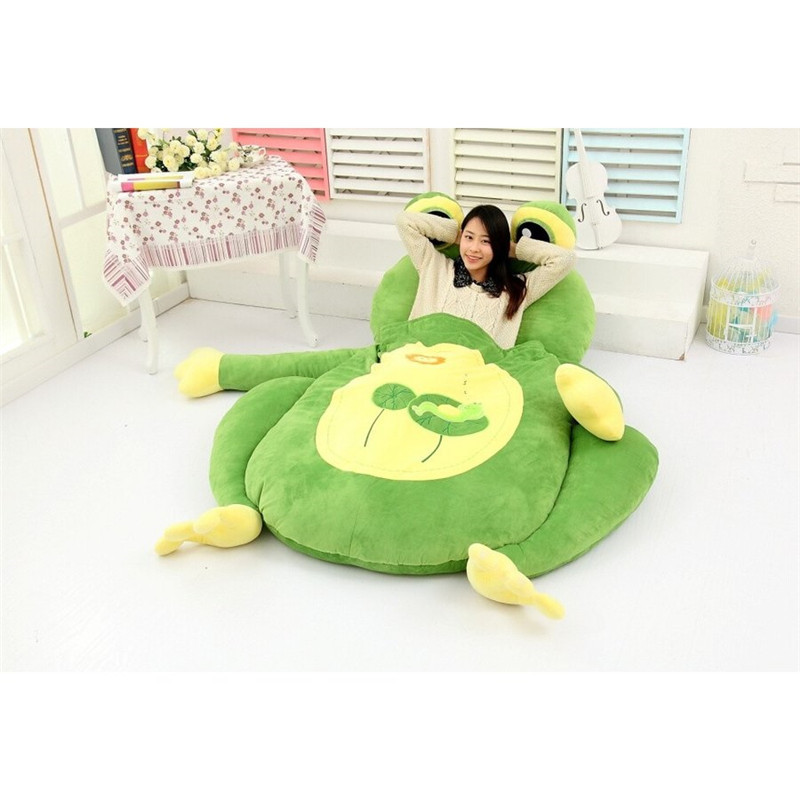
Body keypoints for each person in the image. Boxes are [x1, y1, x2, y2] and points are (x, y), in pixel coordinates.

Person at [396, 204, 575, 349]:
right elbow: (405, 221)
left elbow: (564, 259)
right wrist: (456, 236)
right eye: (469, 237)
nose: (474, 248)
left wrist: (509, 248)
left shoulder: (517, 289)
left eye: (486, 241)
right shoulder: (434, 266)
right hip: (421, 364)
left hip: (477, 376)